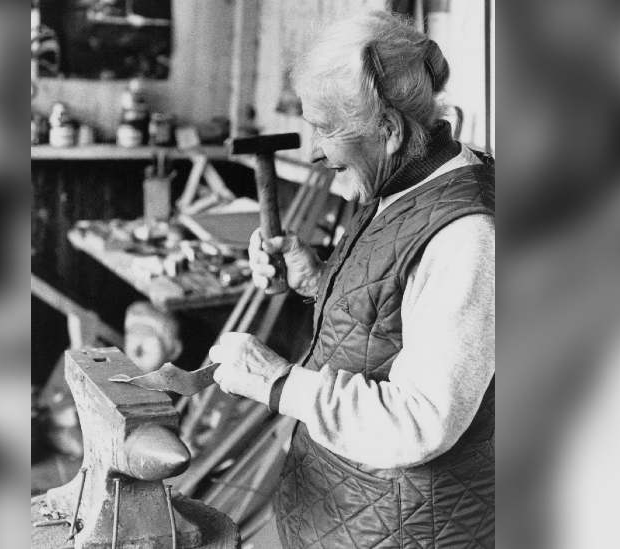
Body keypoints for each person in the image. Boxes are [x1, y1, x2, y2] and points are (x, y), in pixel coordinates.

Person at [209, 10, 495, 548]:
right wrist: (316, 281)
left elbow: (421, 421)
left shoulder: (467, 235)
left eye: (325, 128)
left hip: (404, 526)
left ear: (387, 131)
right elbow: (395, 317)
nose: (314, 149)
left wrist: (278, 382)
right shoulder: (402, 182)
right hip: (349, 509)